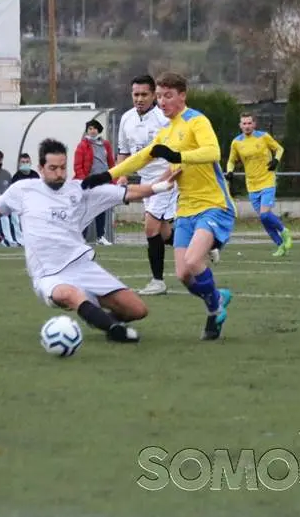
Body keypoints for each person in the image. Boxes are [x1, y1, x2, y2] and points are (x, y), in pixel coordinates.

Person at [0, 138, 178, 344]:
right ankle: (114, 331)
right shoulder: (23, 190)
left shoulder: (79, 190)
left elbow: (130, 192)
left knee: (137, 310)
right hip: (48, 274)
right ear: (40, 168)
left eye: (62, 168)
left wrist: (161, 185)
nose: (59, 174)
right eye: (53, 168)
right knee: (69, 294)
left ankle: (99, 316)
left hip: (82, 266)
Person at [83, 72, 235, 341]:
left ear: (182, 96)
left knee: (192, 260)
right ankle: (217, 296)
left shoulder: (196, 120)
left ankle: (214, 309)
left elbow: (213, 152)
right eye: (161, 96)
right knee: (183, 274)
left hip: (213, 204)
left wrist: (177, 155)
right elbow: (141, 157)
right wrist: (106, 175)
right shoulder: (166, 130)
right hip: (186, 207)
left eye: (168, 96)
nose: (163, 102)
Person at [117, 75, 179, 295]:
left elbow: (176, 156)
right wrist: (121, 175)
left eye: (144, 94)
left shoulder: (164, 120)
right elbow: (123, 151)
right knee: (164, 233)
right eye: (136, 94)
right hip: (145, 183)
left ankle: (158, 281)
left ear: (154, 95)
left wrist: (165, 179)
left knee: (150, 226)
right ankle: (204, 245)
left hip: (166, 181)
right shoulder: (126, 119)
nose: (139, 99)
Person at [226, 113, 293, 255]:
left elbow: (279, 149)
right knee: (265, 220)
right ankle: (281, 246)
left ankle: (284, 231)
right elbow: (231, 160)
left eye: (249, 123)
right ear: (240, 125)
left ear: (254, 124)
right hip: (251, 185)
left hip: (267, 180)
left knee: (264, 215)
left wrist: (276, 161)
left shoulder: (263, 137)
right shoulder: (236, 142)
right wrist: (230, 171)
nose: (247, 126)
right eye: (244, 123)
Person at [73, 119, 116, 245]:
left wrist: (113, 179)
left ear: (99, 130)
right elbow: (77, 165)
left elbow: (111, 163)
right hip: (89, 182)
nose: (92, 131)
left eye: (94, 128)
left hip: (102, 181)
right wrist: (84, 180)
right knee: (85, 210)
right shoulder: (82, 145)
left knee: (101, 209)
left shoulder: (105, 144)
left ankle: (100, 236)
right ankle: (81, 237)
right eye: (90, 128)